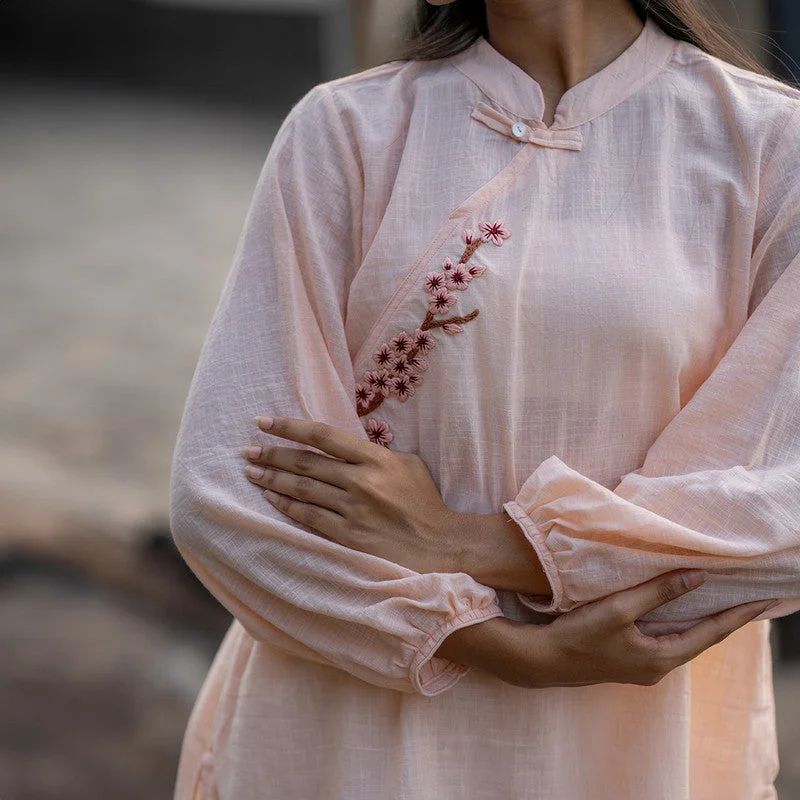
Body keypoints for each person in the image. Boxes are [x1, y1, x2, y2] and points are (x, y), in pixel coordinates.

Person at [169, 1, 800, 797]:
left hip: (624, 750)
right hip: (345, 739)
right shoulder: (347, 132)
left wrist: (476, 543)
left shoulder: (769, 145)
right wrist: (492, 644)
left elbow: (782, 515)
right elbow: (224, 490)